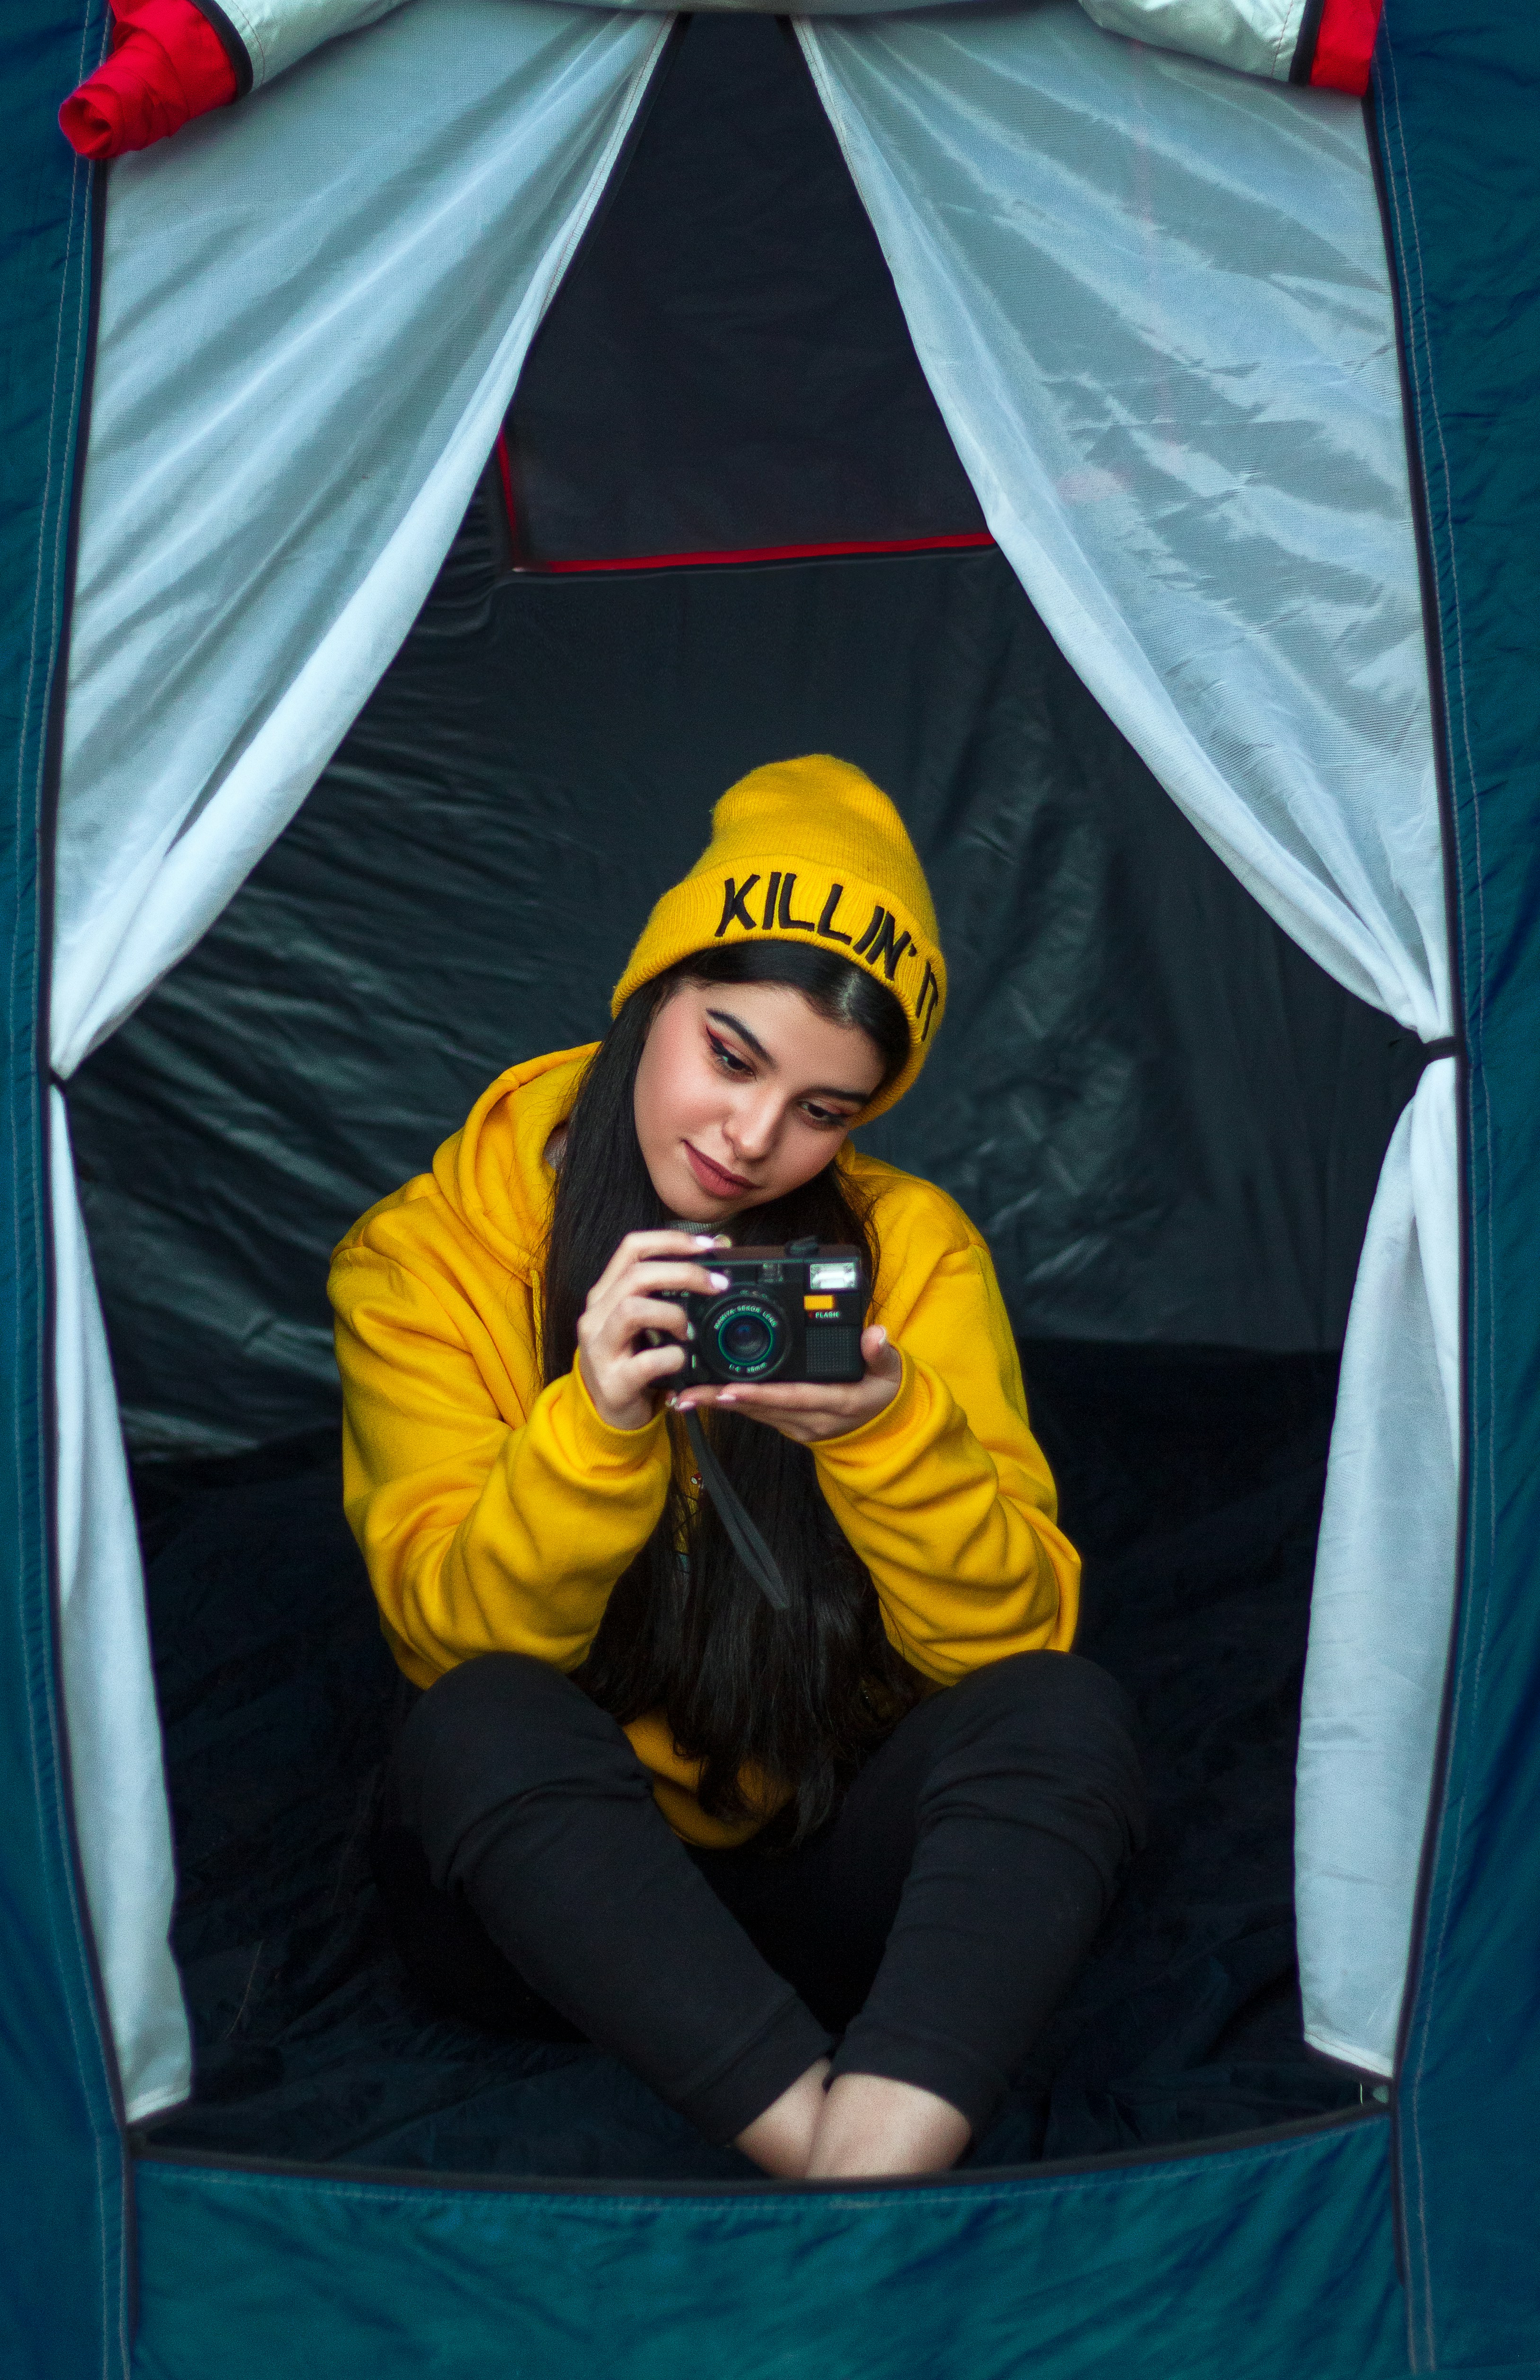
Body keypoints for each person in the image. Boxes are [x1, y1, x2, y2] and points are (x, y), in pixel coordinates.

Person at [329, 755, 1144, 2180]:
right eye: (731, 1052)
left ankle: (859, 2172)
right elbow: (452, 1633)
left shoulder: (915, 1253)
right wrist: (593, 1426)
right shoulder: (427, 1255)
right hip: (554, 1912)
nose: (752, 1142)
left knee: (1065, 1709)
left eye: (826, 1111)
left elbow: (1016, 1639)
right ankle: (830, 2154)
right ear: (652, 993)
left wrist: (884, 1435)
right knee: (469, 1721)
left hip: (826, 1872)